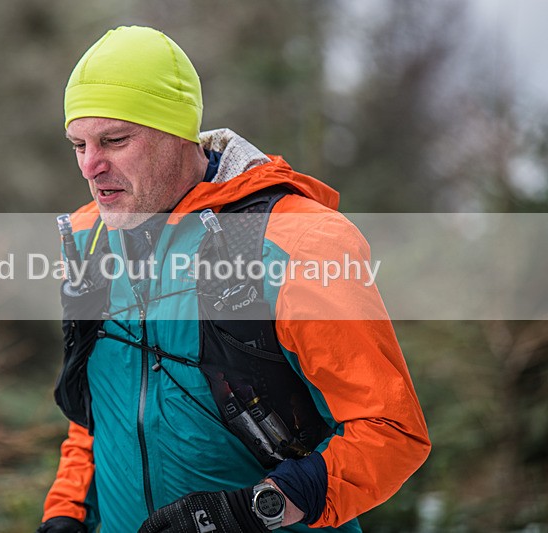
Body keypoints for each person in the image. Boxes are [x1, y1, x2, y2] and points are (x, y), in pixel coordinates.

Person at [36, 25, 430, 533]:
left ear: (178, 134)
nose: (91, 165)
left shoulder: (298, 242)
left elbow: (391, 431)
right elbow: (97, 411)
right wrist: (66, 513)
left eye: (115, 140)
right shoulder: (89, 238)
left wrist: (252, 511)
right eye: (78, 144)